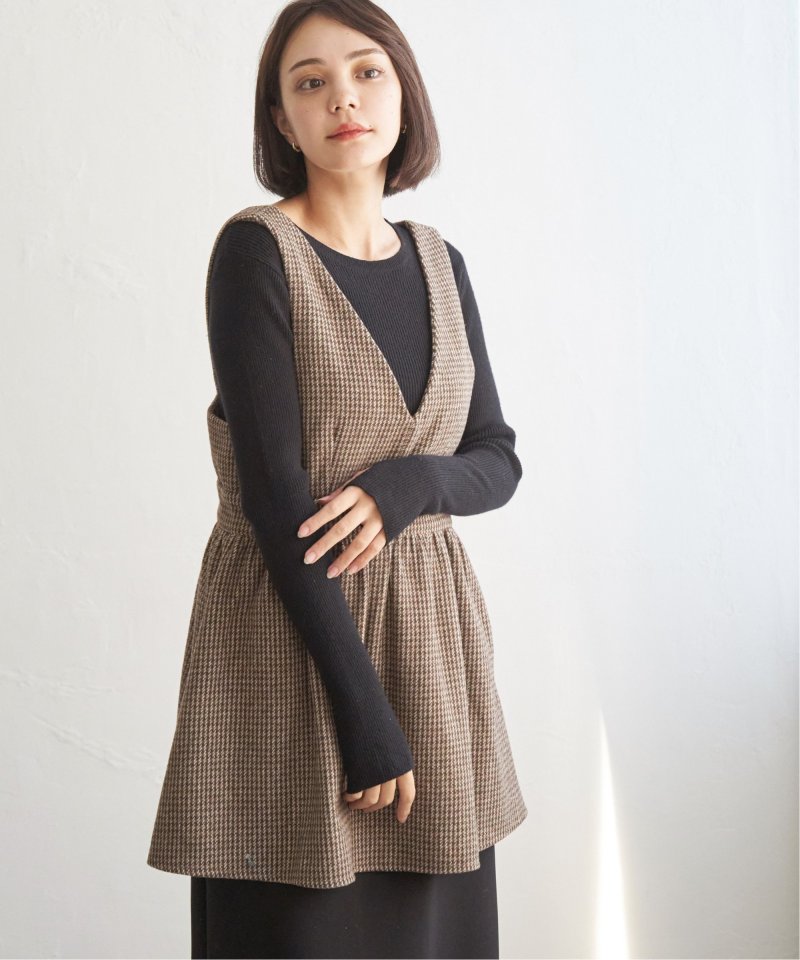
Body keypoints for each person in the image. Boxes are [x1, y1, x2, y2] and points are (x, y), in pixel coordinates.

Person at [147, 1, 528, 956]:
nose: (343, 99)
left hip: (432, 651)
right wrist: (365, 719)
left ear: (404, 93)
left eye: (366, 72)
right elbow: (276, 499)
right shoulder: (255, 252)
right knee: (297, 932)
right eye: (309, 82)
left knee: (434, 934)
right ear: (282, 121)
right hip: (293, 643)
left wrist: (406, 487)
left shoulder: (443, 264)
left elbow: (496, 458)